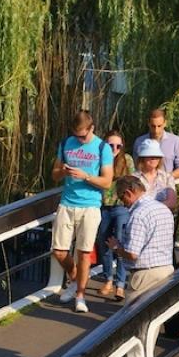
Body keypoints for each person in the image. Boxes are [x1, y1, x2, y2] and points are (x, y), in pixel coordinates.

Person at [52, 110, 114, 313]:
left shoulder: (102, 147)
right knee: (59, 251)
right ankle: (76, 277)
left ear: (92, 128)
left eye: (83, 136)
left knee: (84, 252)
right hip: (67, 203)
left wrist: (86, 176)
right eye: (76, 135)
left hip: (90, 205)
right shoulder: (65, 144)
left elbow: (106, 181)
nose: (79, 139)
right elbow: (54, 175)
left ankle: (80, 294)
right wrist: (63, 171)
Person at [106, 176, 175, 296]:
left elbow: (132, 254)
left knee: (133, 313)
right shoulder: (164, 209)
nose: (123, 203)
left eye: (122, 198)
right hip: (167, 270)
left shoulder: (138, 214)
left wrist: (117, 248)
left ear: (128, 193)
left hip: (145, 276)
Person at [96, 131, 134, 301]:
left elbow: (131, 181)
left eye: (118, 145)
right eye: (111, 145)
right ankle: (108, 279)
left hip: (120, 207)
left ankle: (120, 283)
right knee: (103, 242)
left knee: (119, 242)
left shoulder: (127, 160)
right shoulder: (99, 158)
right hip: (103, 206)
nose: (115, 149)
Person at [134, 108, 179, 179]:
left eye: (159, 126)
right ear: (148, 124)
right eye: (153, 126)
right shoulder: (139, 142)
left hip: (167, 184)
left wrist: (165, 178)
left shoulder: (176, 141)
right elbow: (137, 166)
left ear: (165, 123)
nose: (156, 130)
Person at [134, 139, 179, 212]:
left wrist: (151, 208)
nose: (154, 158)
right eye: (150, 155)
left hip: (162, 217)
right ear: (142, 158)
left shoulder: (167, 177)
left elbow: (172, 202)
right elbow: (132, 203)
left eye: (156, 155)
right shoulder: (133, 178)